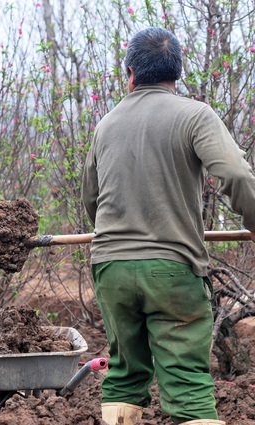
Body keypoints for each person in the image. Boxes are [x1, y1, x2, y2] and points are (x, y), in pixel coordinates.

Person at [81, 27, 255, 425]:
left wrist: (119, 242)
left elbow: (91, 199)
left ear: (129, 73)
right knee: (187, 382)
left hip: (111, 269)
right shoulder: (194, 115)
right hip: (173, 268)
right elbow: (236, 176)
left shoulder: (106, 124)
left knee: (124, 376)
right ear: (177, 73)